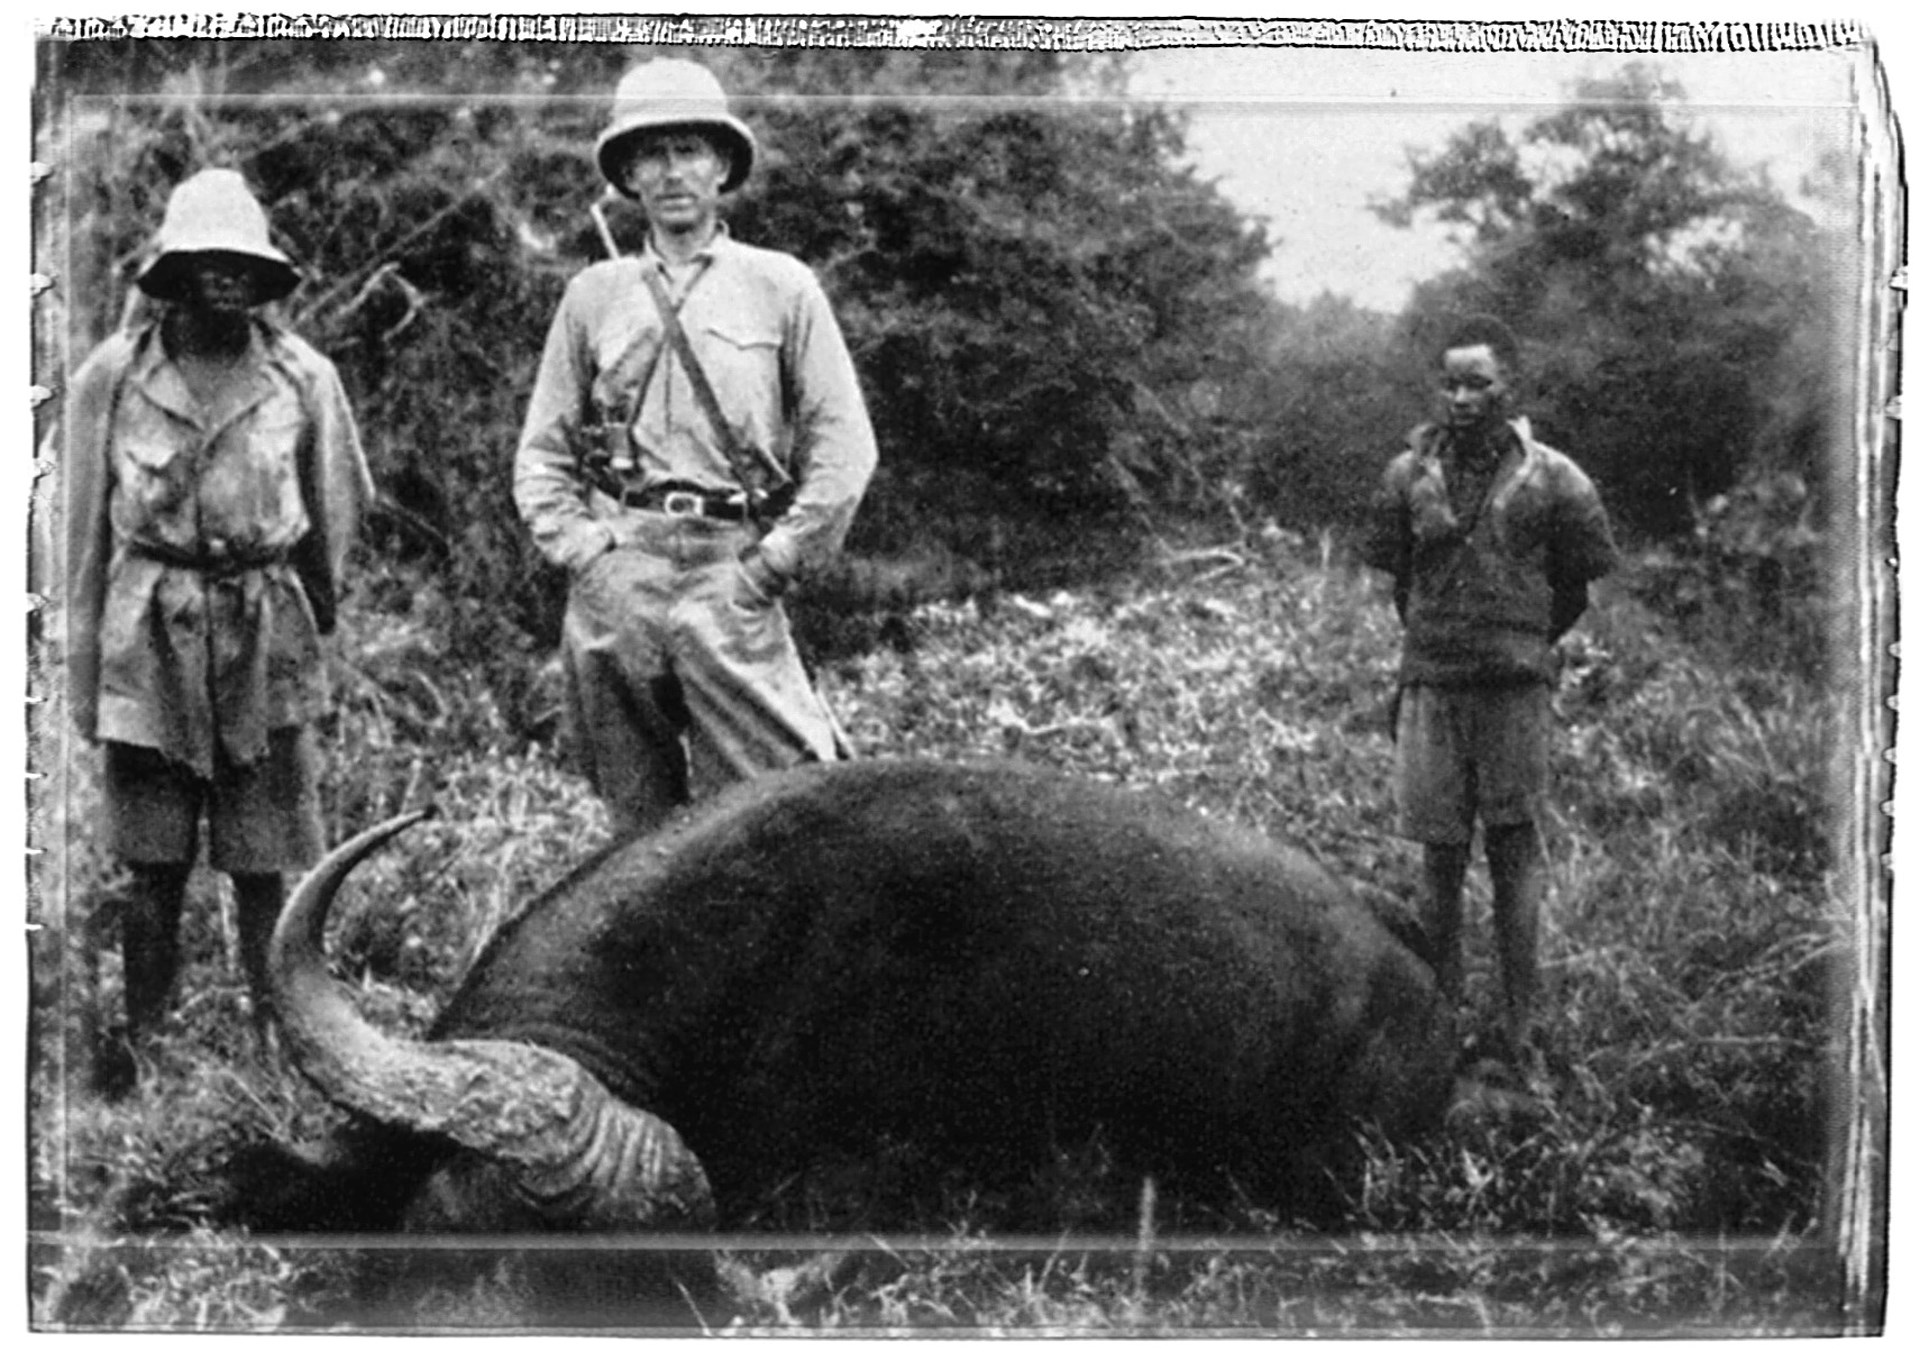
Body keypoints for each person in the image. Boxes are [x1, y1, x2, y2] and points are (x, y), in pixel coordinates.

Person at [61, 168, 373, 1091]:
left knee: (265, 865)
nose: (227, 279)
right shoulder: (113, 378)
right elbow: (79, 537)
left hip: (263, 640)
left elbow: (334, 518)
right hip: (148, 643)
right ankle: (149, 1055)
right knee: (150, 866)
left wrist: (315, 636)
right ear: (174, 271)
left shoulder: (303, 377)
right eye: (208, 262)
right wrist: (82, 673)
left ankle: (282, 1058)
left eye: (244, 263)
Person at [514, 59, 877, 837]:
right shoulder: (593, 298)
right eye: (651, 154)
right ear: (627, 175)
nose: (673, 172)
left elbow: (845, 449)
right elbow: (541, 454)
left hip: (732, 573)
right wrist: (587, 554)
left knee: (773, 816)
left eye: (690, 151)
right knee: (636, 842)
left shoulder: (782, 287)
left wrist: (775, 562)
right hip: (621, 579)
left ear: (721, 166)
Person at [1362, 314, 1618, 1073]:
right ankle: (1438, 1031)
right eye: (1451, 383)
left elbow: (1575, 587)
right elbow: (1400, 583)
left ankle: (1520, 1032)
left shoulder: (1557, 478)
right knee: (1438, 858)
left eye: (1480, 383)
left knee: (1514, 854)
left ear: (1511, 387)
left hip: (1513, 691)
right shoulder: (1406, 475)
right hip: (1434, 686)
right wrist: (1439, 647)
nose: (1463, 398)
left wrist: (1521, 646)